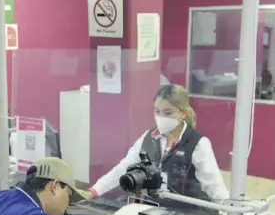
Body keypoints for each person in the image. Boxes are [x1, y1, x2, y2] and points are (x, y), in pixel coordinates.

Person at [86, 84, 229, 201]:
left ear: (183, 114)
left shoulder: (198, 143)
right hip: (152, 209)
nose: (161, 117)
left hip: (186, 212)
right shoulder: (148, 137)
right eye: (157, 111)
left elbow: (215, 187)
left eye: (168, 113)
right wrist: (94, 191)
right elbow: (123, 167)